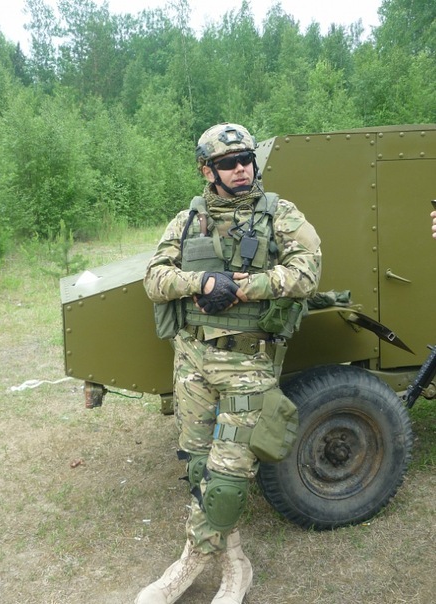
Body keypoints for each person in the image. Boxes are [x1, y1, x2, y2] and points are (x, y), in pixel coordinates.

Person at [137, 122, 322, 604]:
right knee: (200, 468)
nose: (241, 169)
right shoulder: (187, 220)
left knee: (227, 479)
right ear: (208, 170)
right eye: (227, 163)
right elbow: (154, 279)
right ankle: (236, 563)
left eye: (246, 160)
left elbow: (307, 273)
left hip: (248, 363)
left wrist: (244, 287)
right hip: (192, 361)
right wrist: (200, 283)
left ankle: (189, 562)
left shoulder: (280, 214)